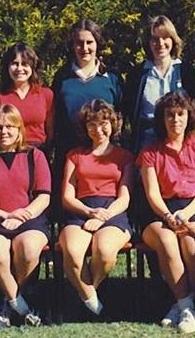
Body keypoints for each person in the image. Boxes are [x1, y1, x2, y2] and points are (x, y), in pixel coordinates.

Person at [137, 91, 195, 334]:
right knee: (168, 242)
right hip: (159, 213)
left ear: (189, 116)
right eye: (170, 115)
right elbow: (152, 194)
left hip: (194, 210)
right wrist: (168, 216)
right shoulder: (150, 151)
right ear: (162, 119)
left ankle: (180, 304)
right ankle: (187, 306)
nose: (175, 120)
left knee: (192, 243)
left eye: (180, 114)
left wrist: (188, 213)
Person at [0, 104, 51, 328]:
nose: (4, 132)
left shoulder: (35, 155)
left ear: (19, 129)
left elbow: (44, 196)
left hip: (30, 218)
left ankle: (5, 305)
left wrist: (23, 215)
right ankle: (22, 307)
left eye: (10, 127)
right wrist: (4, 214)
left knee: (29, 249)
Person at [58, 99, 134, 316]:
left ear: (112, 124)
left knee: (105, 251)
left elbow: (125, 198)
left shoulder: (124, 156)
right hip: (80, 211)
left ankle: (84, 294)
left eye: (103, 123)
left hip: (113, 212)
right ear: (85, 128)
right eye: (92, 124)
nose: (98, 129)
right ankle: (92, 302)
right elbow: (67, 196)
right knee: (72, 252)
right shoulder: (74, 156)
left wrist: (102, 216)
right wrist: (89, 212)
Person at [52, 19, 123, 168]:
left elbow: (121, 116)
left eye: (89, 42)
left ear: (97, 44)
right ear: (72, 45)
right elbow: (56, 119)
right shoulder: (62, 77)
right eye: (79, 42)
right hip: (70, 155)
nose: (84, 47)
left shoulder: (111, 77)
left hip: (105, 156)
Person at [123, 15, 195, 154]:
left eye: (165, 38)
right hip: (146, 141)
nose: (160, 43)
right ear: (148, 43)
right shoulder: (138, 74)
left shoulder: (185, 71)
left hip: (179, 140)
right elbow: (129, 111)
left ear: (173, 40)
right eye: (155, 39)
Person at [0, 43, 54, 150]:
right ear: (7, 67)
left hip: (38, 152)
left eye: (25, 64)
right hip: (7, 151)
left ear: (32, 67)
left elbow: (51, 130)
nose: (19, 68)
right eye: (15, 63)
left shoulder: (46, 94)